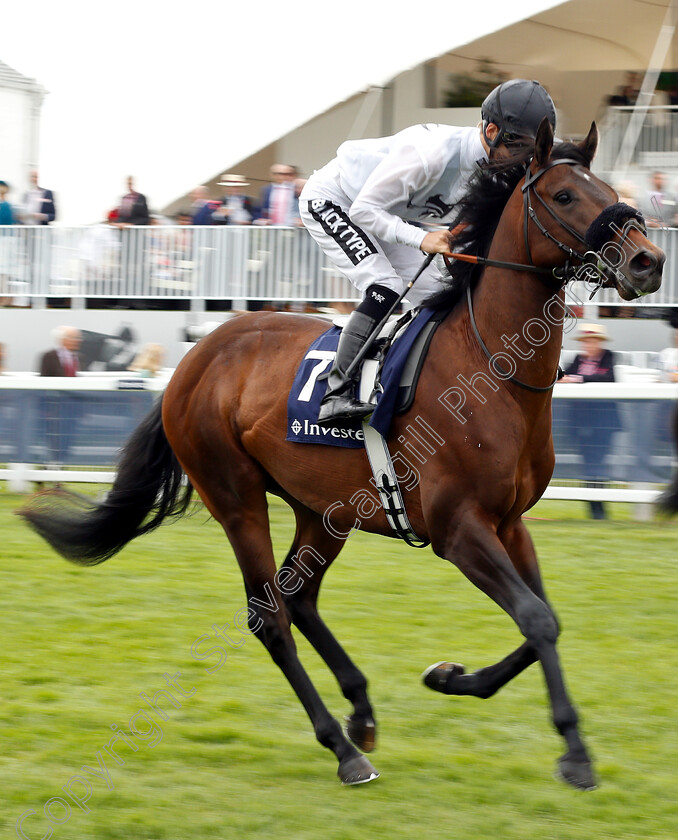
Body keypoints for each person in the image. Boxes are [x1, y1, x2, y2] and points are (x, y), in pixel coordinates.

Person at [299, 78, 557, 422]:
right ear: (492, 131)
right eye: (519, 149)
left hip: (384, 213)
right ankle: (336, 391)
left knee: (439, 293)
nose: (523, 162)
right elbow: (363, 211)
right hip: (336, 201)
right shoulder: (431, 153)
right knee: (385, 287)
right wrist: (422, 239)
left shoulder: (492, 166)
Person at [560, 323, 620, 520]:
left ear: (600, 342)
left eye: (593, 340)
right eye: (586, 341)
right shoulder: (577, 359)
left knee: (598, 462)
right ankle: (594, 508)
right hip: (582, 423)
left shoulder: (609, 357)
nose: (589, 344)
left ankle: (599, 507)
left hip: (603, 422)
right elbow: (562, 377)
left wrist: (577, 379)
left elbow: (608, 378)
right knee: (588, 463)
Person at [38, 326, 83, 467]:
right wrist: (45, 409)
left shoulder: (78, 358)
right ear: (63, 340)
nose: (78, 341)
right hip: (54, 411)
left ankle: (58, 479)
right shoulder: (49, 356)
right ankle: (45, 476)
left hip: (71, 411)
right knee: (52, 445)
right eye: (75, 338)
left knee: (66, 444)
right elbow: (42, 382)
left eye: (78, 338)